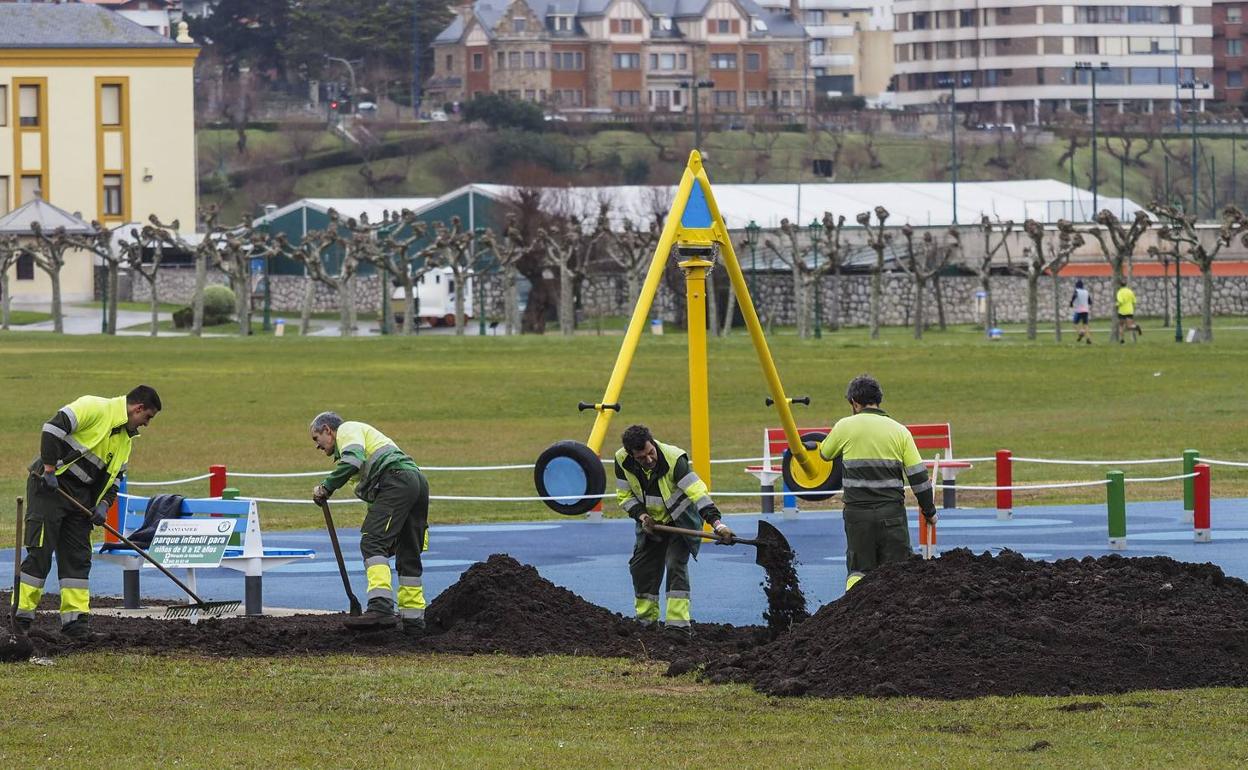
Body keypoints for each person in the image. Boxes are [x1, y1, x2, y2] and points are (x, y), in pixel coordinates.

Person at [17, 385, 162, 639]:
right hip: (50, 487)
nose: (146, 424)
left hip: (81, 500)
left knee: (78, 557)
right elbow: (51, 429)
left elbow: (116, 478)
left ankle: (75, 625)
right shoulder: (94, 407)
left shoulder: (126, 441)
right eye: (147, 417)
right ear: (137, 408)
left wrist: (104, 505)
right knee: (40, 551)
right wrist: (50, 470)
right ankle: (21, 621)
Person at [310, 412, 428, 633]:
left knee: (372, 542)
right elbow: (376, 496)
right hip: (416, 482)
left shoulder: (347, 431)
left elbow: (353, 461)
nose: (317, 446)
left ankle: (380, 606)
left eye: (316, 439)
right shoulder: (366, 439)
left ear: (328, 429)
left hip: (397, 480)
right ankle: (414, 622)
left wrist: (326, 487)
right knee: (408, 552)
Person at [818, 375, 936, 592]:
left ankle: (854, 614)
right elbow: (918, 478)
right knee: (898, 572)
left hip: (857, 516)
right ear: (878, 400)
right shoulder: (900, 431)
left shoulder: (845, 426)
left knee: (858, 571)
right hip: (892, 516)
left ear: (854, 402)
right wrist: (929, 511)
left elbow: (825, 453)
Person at [614, 424, 733, 634]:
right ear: (631, 455)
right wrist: (643, 517)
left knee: (675, 564)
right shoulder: (622, 460)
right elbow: (625, 497)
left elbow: (698, 493)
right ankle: (646, 623)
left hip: (680, 523)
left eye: (651, 453)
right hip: (651, 524)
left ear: (653, 442)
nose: (649, 460)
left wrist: (717, 524)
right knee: (641, 569)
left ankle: (678, 627)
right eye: (642, 458)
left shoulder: (675, 460)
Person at [1070, 278, 1093, 344]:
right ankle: (1088, 339)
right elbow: (1090, 302)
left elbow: (1074, 297)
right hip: (1086, 310)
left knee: (1074, 324)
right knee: (1085, 325)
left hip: (1079, 310)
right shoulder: (1086, 292)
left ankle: (1081, 332)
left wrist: (1071, 303)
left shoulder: (1076, 291)